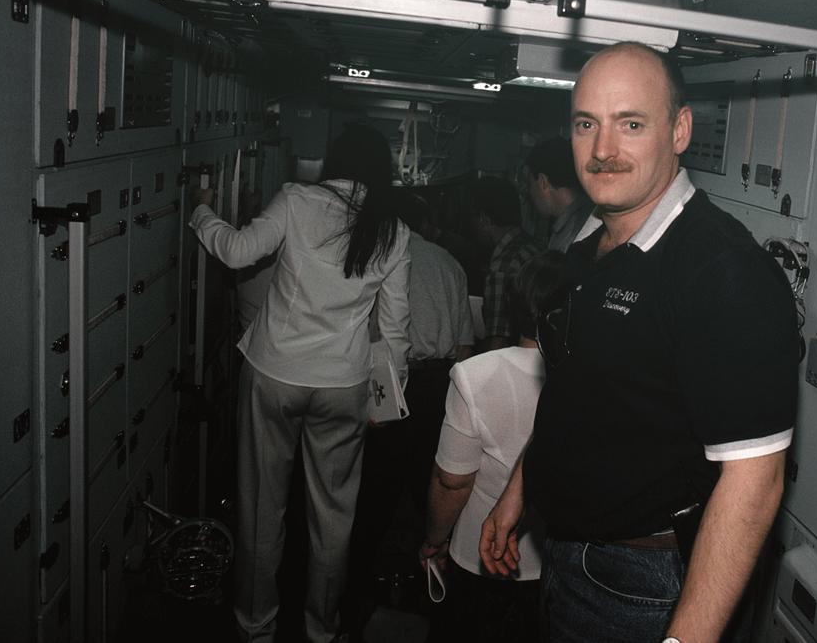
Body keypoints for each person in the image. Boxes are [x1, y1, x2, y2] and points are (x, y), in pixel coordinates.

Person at [480, 43, 800, 643]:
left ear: (679, 130)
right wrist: (516, 493)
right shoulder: (588, 245)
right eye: (586, 125)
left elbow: (755, 483)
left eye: (630, 124)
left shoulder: (720, 270)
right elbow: (576, 395)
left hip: (642, 582)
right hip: (568, 552)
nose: (603, 150)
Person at [190, 124, 412, 643]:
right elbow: (396, 331)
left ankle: (255, 626)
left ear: (335, 159)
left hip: (275, 374)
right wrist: (386, 400)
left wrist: (201, 210)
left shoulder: (297, 200)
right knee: (333, 518)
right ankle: (321, 630)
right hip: (344, 384)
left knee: (263, 507)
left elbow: (239, 252)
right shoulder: (393, 229)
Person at [419, 251, 567, 643]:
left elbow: (452, 481)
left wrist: (434, 541)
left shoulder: (474, 375)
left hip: (478, 556)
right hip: (559, 563)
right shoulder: (588, 376)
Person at [346, 190, 475, 638]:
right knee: (430, 491)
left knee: (375, 490)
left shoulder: (371, 255)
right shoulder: (447, 262)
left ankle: (359, 592)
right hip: (440, 384)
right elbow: (463, 346)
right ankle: (430, 592)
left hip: (386, 380)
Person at [470, 175, 540, 351]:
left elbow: (498, 339)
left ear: (484, 219)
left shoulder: (503, 264)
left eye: (473, 219)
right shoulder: (531, 247)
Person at [525, 137, 592, 252]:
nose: (529, 192)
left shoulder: (571, 234)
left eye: (530, 184)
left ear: (542, 181)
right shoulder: (587, 218)